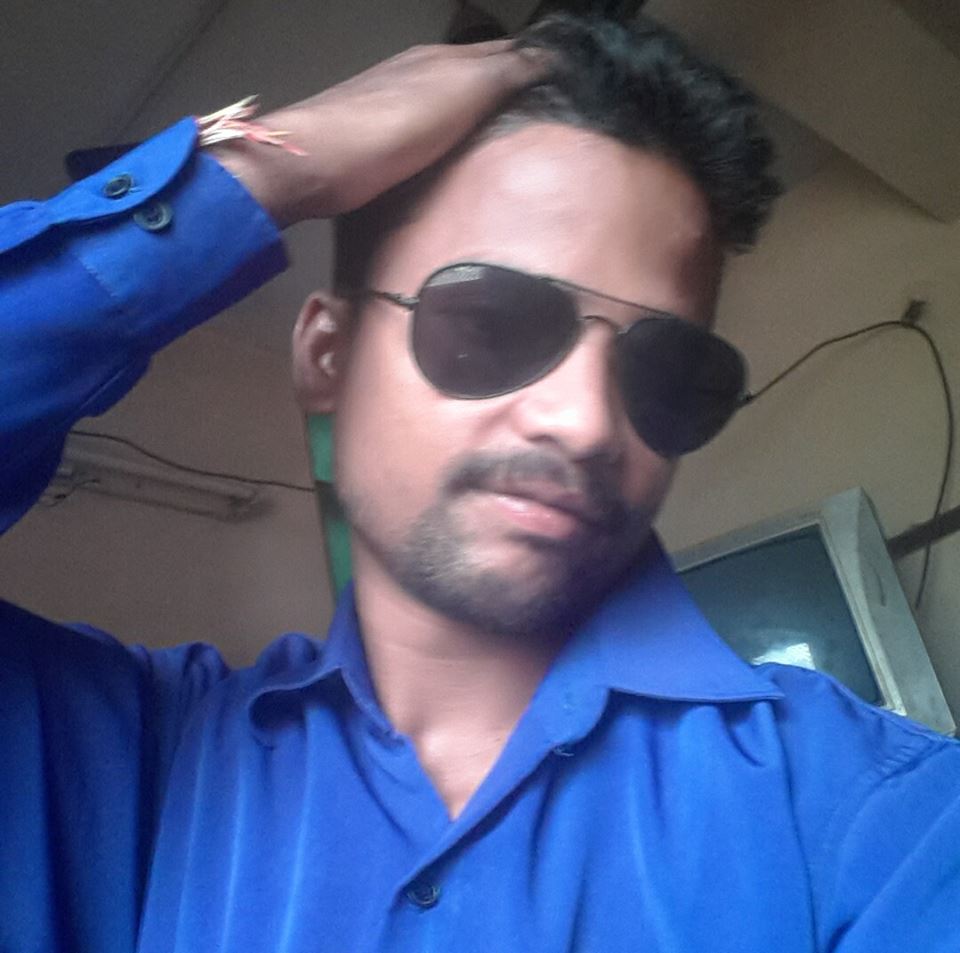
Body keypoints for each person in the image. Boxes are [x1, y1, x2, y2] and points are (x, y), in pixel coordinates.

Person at [1, 15, 958, 953]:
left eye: (668, 370)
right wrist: (272, 165)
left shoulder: (876, 819)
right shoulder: (138, 765)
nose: (586, 421)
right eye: (494, 321)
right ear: (329, 356)